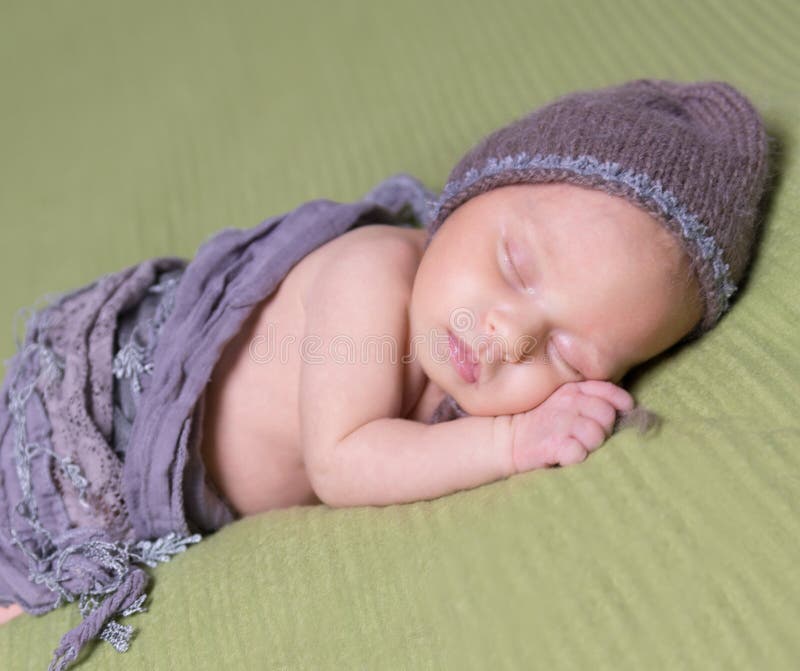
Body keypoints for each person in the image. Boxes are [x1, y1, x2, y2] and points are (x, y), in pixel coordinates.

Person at [0, 79, 771, 634]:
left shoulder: (467, 349)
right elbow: (341, 461)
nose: (510, 336)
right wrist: (509, 442)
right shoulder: (368, 274)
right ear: (470, 192)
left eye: (571, 352)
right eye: (514, 266)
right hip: (109, 425)